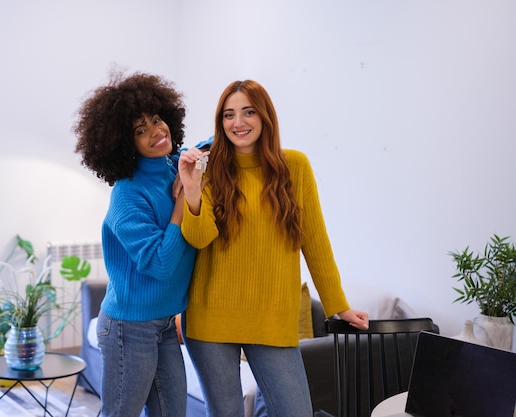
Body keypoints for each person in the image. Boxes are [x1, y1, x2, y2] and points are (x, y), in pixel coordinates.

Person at [177, 79, 369, 417]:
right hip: (210, 320)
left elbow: (316, 242)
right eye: (228, 115)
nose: (238, 123)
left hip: (271, 320)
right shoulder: (209, 167)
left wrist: (338, 305)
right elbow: (199, 238)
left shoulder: (294, 166)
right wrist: (192, 190)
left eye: (248, 112)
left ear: (265, 116)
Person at [73, 71, 197, 417]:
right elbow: (160, 263)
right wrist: (180, 204)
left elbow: (210, 144)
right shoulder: (127, 195)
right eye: (140, 131)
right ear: (125, 145)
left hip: (165, 322)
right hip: (129, 328)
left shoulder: (174, 164)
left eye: (157, 120)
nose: (156, 132)